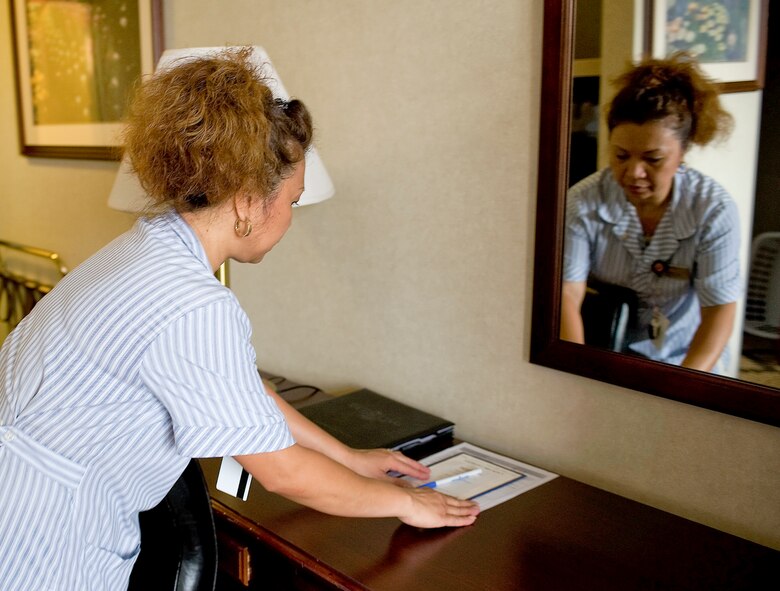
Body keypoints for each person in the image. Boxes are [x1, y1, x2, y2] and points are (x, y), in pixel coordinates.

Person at [0, 48, 478, 591]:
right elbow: (282, 472)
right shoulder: (192, 301)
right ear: (250, 201)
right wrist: (407, 505)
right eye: (292, 203)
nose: (291, 218)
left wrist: (348, 457)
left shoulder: (143, 247)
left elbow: (241, 390)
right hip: (39, 541)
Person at [561, 53, 740, 372]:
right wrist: (578, 370)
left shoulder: (713, 210)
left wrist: (685, 385)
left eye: (653, 159)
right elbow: (567, 295)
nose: (633, 173)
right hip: (608, 353)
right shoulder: (583, 201)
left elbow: (719, 311)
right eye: (621, 155)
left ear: (683, 152)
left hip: (686, 356)